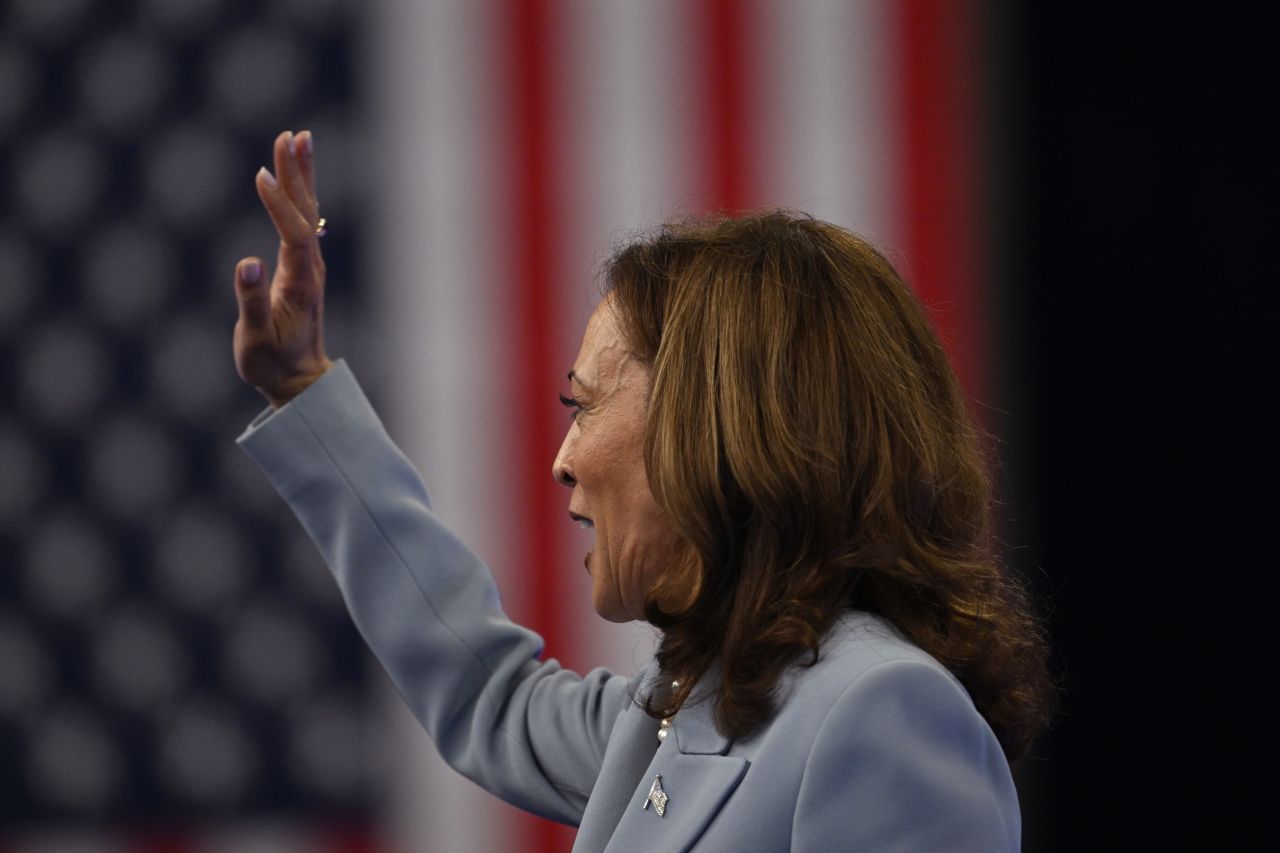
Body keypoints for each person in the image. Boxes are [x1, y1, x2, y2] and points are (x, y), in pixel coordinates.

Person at [232, 130, 1052, 851]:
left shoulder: (880, 712)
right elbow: (489, 691)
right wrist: (304, 392)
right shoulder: (702, 702)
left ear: (713, 430)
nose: (561, 459)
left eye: (583, 406)